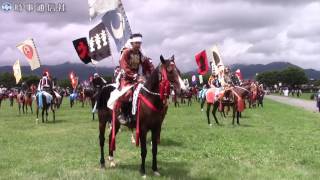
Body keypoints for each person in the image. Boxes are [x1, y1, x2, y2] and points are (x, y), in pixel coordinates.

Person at [115, 33, 154, 125]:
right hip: (126, 78)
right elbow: (124, 66)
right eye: (136, 43)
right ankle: (123, 114)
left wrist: (153, 73)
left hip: (138, 78)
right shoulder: (126, 52)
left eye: (140, 43)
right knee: (128, 93)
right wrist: (136, 76)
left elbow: (147, 65)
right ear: (132, 43)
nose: (138, 45)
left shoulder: (140, 54)